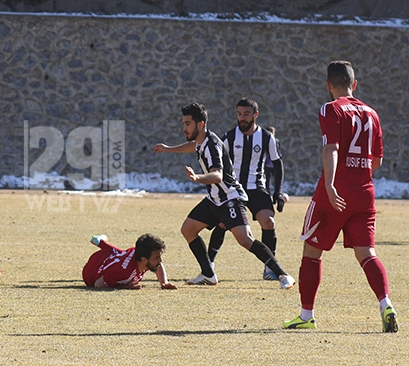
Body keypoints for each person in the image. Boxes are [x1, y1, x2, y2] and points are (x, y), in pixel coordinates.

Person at [283, 61, 398, 332]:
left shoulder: (330, 108)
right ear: (354, 84)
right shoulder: (372, 113)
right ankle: (386, 304)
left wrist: (333, 185)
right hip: (364, 193)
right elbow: (377, 160)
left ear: (328, 85)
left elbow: (331, 149)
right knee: (367, 253)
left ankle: (306, 315)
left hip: (333, 193)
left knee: (311, 251)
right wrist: (357, 173)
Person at [153, 103, 294, 289]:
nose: (184, 128)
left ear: (200, 124)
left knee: (245, 240)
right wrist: (169, 149)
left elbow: (217, 175)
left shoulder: (211, 145)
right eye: (184, 123)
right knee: (188, 229)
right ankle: (208, 273)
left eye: (188, 123)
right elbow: (192, 146)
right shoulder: (202, 141)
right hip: (214, 199)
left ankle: (282, 275)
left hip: (229, 198)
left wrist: (198, 178)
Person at [207, 98, 288, 281]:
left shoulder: (267, 137)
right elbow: (216, 162)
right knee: (223, 224)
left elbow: (277, 165)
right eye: (239, 114)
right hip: (233, 189)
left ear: (255, 115)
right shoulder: (228, 137)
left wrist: (278, 191)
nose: (242, 118)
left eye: (246, 114)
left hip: (256, 188)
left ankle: (270, 267)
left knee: (268, 222)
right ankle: (209, 265)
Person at [82, 233, 178, 289]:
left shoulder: (141, 257)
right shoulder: (122, 271)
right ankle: (99, 241)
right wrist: (125, 286)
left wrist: (164, 283)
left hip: (114, 257)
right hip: (91, 270)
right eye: (157, 257)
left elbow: (158, 265)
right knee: (119, 255)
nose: (160, 261)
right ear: (143, 260)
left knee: (120, 253)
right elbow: (98, 284)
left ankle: (100, 242)